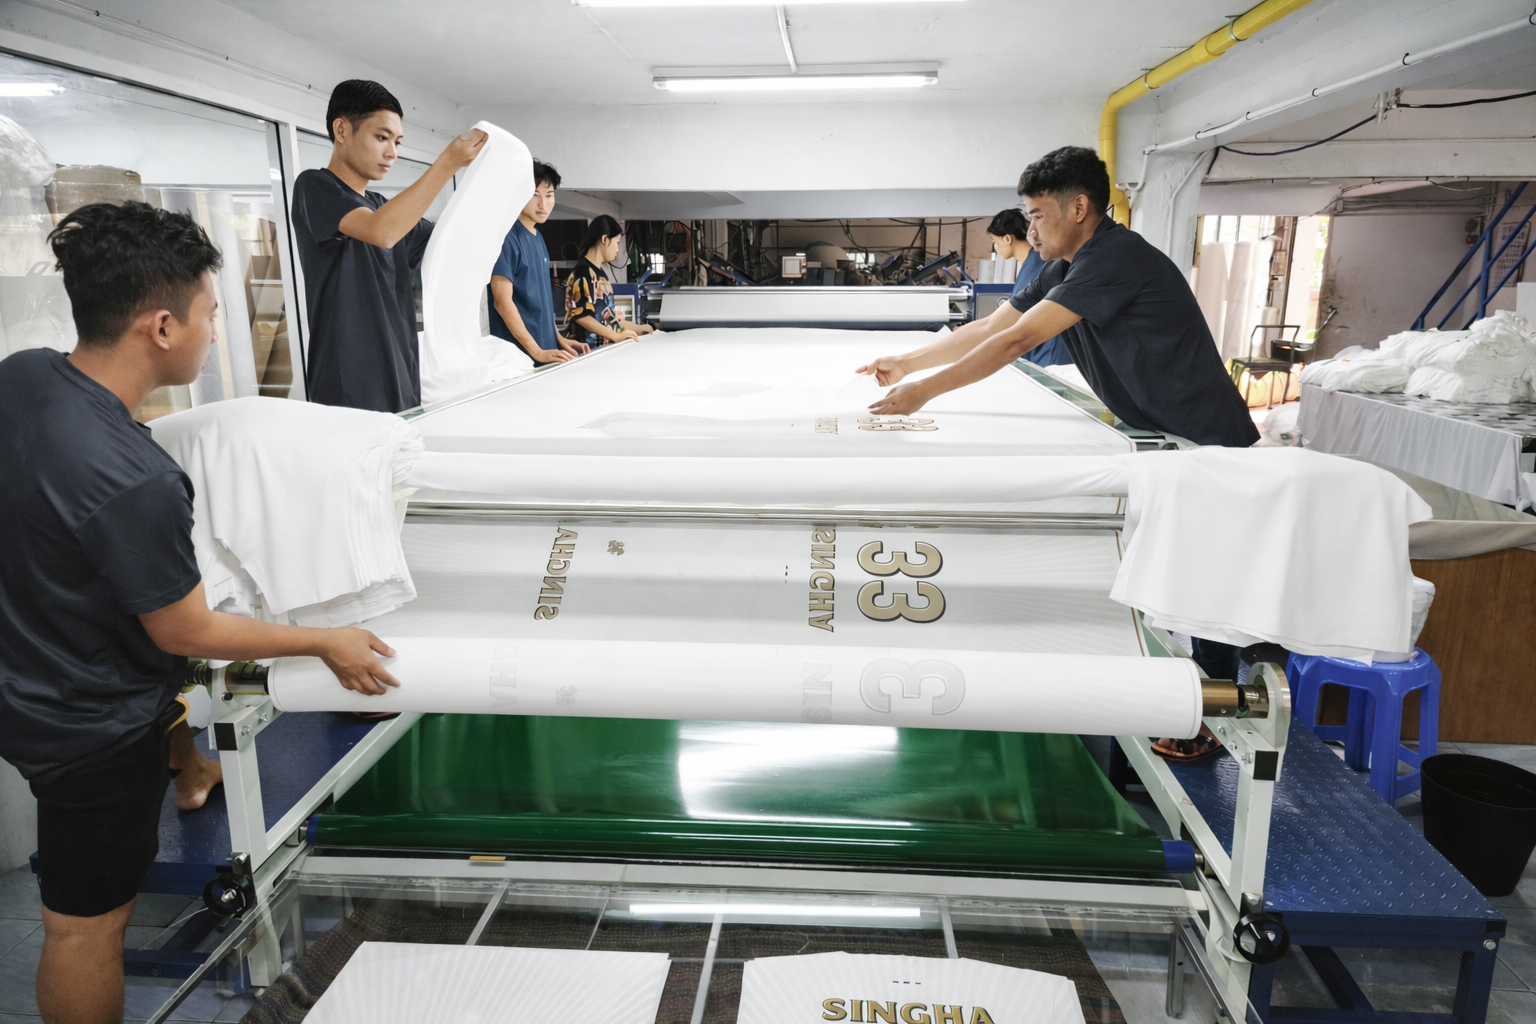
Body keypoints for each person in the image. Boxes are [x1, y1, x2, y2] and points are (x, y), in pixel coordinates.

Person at [0, 202, 400, 1024]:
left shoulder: (25, 375)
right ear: (159, 326)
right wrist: (324, 639)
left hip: (20, 669)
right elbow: (186, 632)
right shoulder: (135, 483)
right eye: (211, 316)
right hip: (88, 727)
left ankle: (193, 770)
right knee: (83, 929)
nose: (217, 332)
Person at [858, 145, 1257, 448]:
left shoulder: (1116, 257)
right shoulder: (1061, 268)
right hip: (1164, 430)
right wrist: (907, 363)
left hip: (1208, 437)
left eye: (1037, 215)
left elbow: (1015, 341)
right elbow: (991, 327)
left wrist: (924, 392)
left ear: (1079, 208)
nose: (1031, 231)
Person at [292, 79, 486, 412]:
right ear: (341, 130)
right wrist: (447, 164)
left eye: (397, 142)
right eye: (381, 138)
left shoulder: (383, 206)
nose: (392, 153)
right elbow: (381, 231)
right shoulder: (314, 186)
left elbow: (453, 242)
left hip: (402, 380)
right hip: (348, 387)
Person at [489, 162, 590, 365]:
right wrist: (537, 351)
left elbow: (541, 304)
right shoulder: (505, 237)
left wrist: (559, 341)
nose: (543, 204)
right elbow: (502, 302)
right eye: (534, 195)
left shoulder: (538, 238)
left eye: (549, 195)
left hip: (543, 356)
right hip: (518, 363)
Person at [985, 208, 1070, 367]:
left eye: (994, 241)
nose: (995, 247)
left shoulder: (1037, 267)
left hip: (1048, 359)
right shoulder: (1032, 262)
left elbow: (1017, 319)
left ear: (1008, 239)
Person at [563, 214, 654, 348]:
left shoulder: (601, 275)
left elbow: (610, 321)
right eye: (617, 243)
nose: (617, 249)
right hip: (585, 354)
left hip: (601, 352)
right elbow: (581, 316)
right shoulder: (583, 273)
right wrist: (615, 336)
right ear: (605, 239)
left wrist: (639, 328)